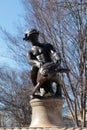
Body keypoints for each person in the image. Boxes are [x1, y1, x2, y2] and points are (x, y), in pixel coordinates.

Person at [23, 29, 62, 96]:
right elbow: (30, 61)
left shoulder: (47, 45)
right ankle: (37, 89)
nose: (34, 38)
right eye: (31, 37)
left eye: (35, 36)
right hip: (39, 68)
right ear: (29, 39)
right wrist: (37, 63)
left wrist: (57, 58)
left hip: (49, 66)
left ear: (37, 36)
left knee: (57, 75)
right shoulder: (30, 51)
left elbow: (54, 53)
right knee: (32, 69)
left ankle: (58, 89)